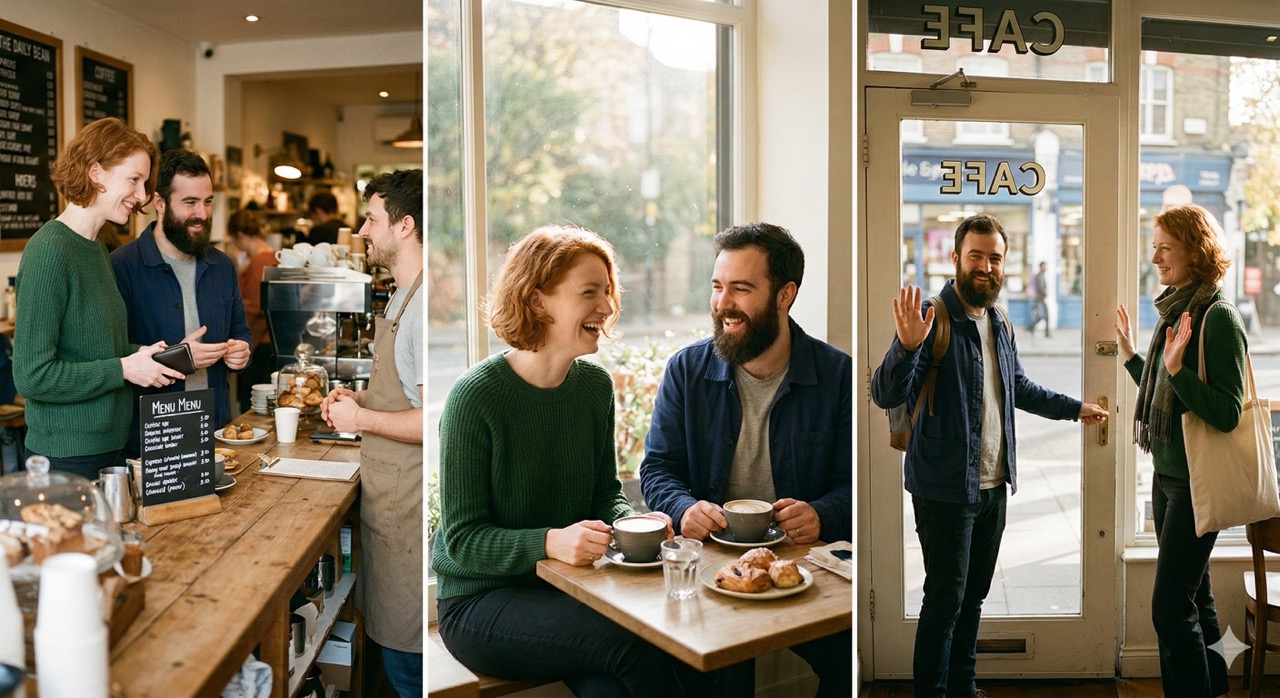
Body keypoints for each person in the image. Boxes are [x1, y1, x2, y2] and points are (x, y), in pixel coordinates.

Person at [430, 224, 684, 697]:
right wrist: (549, 541)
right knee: (633, 641)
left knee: (623, 677)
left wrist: (633, 524)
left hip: (567, 588)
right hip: (479, 603)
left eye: (607, 292)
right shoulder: (475, 398)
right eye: (589, 292)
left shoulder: (594, 387)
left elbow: (605, 493)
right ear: (536, 300)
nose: (606, 308)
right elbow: (463, 542)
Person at [871, 213, 1107, 698]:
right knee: (943, 601)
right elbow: (884, 393)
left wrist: (1074, 408)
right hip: (944, 488)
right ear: (955, 258)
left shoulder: (999, 320)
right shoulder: (933, 318)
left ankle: (963, 684)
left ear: (1004, 264)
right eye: (975, 256)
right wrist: (906, 345)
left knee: (973, 597)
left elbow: (1017, 386)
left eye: (994, 257)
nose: (985, 266)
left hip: (994, 484)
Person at [639, 222, 852, 696]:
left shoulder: (838, 374)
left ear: (785, 294)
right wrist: (683, 508)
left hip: (808, 567)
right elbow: (657, 469)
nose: (723, 304)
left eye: (741, 288)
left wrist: (823, 513)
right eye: (718, 287)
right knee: (712, 673)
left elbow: (855, 482)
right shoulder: (686, 369)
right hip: (711, 563)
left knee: (850, 662)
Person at [1114, 203, 1241, 697]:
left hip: (1197, 482)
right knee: (1196, 596)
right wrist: (1133, 358)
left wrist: (1174, 371)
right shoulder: (1178, 308)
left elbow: (1227, 411)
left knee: (1169, 609)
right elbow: (1166, 388)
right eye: (1155, 246)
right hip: (1168, 478)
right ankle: (1214, 686)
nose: (1156, 256)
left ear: (1196, 250)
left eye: (1166, 247)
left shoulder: (1219, 317)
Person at [12, 117, 185, 480]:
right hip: (66, 456)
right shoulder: (50, 250)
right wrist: (124, 368)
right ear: (96, 173)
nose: (142, 196)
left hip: (107, 446)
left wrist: (143, 356)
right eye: (134, 180)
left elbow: (95, 348)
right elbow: (32, 376)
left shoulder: (96, 249)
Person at [319, 169, 425, 696]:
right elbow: (405, 395)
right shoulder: (401, 294)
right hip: (389, 499)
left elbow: (435, 417)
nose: (362, 231)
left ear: (405, 226)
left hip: (408, 505)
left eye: (371, 219)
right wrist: (361, 398)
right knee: (393, 651)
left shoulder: (422, 307)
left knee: (409, 667)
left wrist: (359, 420)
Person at [111, 149, 252, 458]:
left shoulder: (222, 266)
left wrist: (242, 350)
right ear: (160, 203)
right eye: (190, 203)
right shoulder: (122, 266)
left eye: (208, 201)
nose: (202, 213)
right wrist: (176, 357)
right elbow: (112, 353)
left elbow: (241, 331)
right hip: (150, 436)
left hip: (215, 430)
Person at [225, 208, 278, 408]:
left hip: (258, 340)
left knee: (253, 402)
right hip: (267, 339)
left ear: (239, 235)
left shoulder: (259, 261)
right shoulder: (271, 256)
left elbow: (255, 305)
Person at [1028, 260, 1050, 337]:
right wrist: (1044, 296)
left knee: (1042, 316)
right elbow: (1040, 287)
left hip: (1039, 298)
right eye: (1045, 266)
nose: (1046, 267)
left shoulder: (1041, 275)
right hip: (1040, 298)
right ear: (1041, 266)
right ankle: (1031, 328)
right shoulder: (1040, 275)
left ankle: (1031, 328)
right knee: (1044, 316)